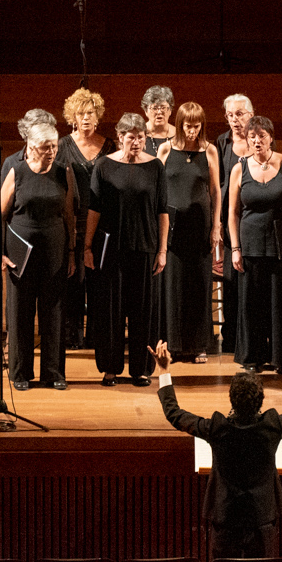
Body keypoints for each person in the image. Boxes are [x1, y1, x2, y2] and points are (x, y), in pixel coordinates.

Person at [154, 335, 282, 559]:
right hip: (262, 520)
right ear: (261, 400)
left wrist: (164, 370)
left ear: (231, 399)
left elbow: (174, 414)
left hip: (225, 520)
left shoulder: (217, 428)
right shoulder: (272, 426)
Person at [87, 113, 170, 385]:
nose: (136, 142)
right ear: (120, 137)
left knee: (142, 311)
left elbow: (162, 211)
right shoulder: (103, 165)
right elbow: (94, 209)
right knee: (110, 310)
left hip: (145, 247)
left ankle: (141, 369)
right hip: (110, 249)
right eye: (131, 137)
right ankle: (110, 368)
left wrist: (162, 250)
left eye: (141, 137)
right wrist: (87, 246)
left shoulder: (155, 167)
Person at [0, 115, 78, 389]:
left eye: (54, 146)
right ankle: (20, 373)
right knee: (20, 311)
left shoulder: (63, 172)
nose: (52, 151)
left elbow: (68, 214)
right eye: (46, 147)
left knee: (54, 311)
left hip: (54, 249)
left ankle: (53, 373)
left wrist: (71, 251)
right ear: (31, 147)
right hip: (20, 252)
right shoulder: (17, 171)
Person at [228, 115, 282, 375]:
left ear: (271, 137)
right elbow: (232, 213)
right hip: (250, 245)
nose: (257, 141)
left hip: (281, 244)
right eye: (252, 137)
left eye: (261, 136)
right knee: (252, 303)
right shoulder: (239, 168)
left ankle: (281, 358)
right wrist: (235, 248)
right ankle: (253, 358)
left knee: (280, 304)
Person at [159, 101, 223, 362]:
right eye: (188, 126)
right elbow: (159, 189)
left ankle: (198, 345)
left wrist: (216, 226)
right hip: (173, 227)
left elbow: (216, 191)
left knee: (199, 284)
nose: (192, 131)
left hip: (199, 227)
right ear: (179, 124)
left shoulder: (209, 150)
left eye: (197, 126)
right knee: (173, 286)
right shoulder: (166, 149)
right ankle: (173, 345)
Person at [58, 87, 109, 350]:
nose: (86, 117)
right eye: (80, 113)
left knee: (99, 282)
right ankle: (71, 336)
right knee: (72, 281)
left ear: (97, 116)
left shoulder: (109, 145)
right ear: (72, 117)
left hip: (102, 224)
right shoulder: (62, 146)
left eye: (90, 112)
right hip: (72, 222)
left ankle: (98, 337)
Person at [215, 93, 256, 355]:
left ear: (251, 114)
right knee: (230, 279)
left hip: (253, 217)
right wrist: (217, 220)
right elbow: (216, 184)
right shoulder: (222, 142)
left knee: (252, 278)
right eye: (230, 115)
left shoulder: (260, 138)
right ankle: (231, 337)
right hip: (229, 219)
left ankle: (252, 334)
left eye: (239, 114)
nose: (234, 120)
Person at [141, 84, 178, 156]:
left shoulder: (178, 135)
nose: (159, 112)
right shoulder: (138, 134)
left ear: (170, 110)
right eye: (154, 108)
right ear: (146, 111)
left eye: (163, 107)